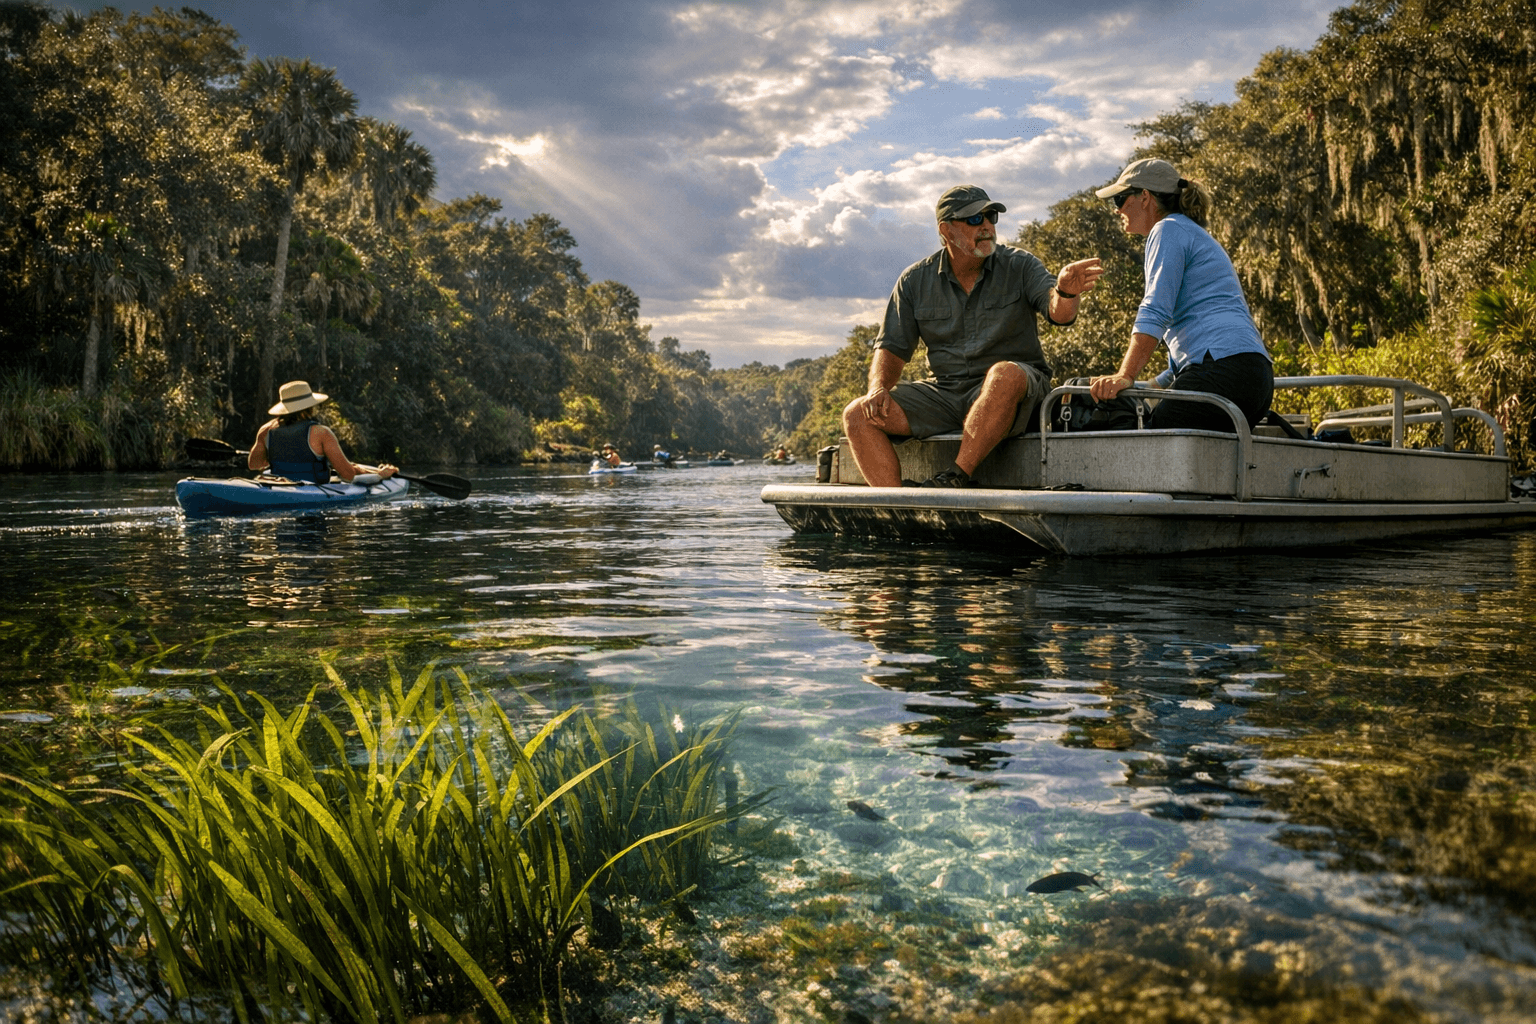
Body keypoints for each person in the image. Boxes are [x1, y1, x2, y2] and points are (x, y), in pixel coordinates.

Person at [843, 184, 1104, 487]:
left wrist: (1066, 291)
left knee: (1003, 374)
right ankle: (899, 504)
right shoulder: (914, 280)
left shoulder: (1020, 264)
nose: (987, 227)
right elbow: (891, 348)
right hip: (947, 393)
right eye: (975, 219)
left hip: (1016, 391)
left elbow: (1059, 313)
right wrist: (877, 389)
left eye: (991, 217)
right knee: (857, 414)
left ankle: (956, 477)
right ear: (946, 230)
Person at [1088, 158, 1273, 431]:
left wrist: (1125, 375)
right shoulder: (1190, 231)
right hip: (1254, 376)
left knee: (1154, 442)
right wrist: (1157, 384)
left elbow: (1155, 309)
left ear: (1145, 197)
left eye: (1120, 199)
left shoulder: (1168, 229)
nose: (1117, 210)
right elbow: (1201, 330)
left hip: (1223, 371)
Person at [249, 380, 397, 484]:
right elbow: (348, 475)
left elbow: (254, 464)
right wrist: (380, 474)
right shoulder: (321, 433)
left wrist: (281, 452)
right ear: (309, 406)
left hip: (279, 488)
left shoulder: (266, 431)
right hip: (312, 492)